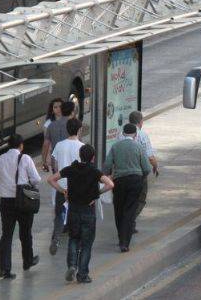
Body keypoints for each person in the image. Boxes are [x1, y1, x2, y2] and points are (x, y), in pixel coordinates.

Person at [48, 144, 113, 284]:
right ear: (93, 158)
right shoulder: (94, 172)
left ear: (80, 155)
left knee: (74, 239)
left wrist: (62, 191)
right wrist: (96, 194)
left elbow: (50, 179)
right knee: (87, 244)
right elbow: (110, 184)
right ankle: (82, 275)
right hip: (88, 211)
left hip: (73, 210)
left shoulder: (71, 169)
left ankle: (72, 265)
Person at [0, 134, 41, 279]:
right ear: (21, 145)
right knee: (25, 232)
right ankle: (27, 260)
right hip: (23, 200)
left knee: (6, 235)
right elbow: (36, 179)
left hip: (6, 201)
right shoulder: (25, 158)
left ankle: (5, 269)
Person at [104, 123, 152, 252]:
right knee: (130, 210)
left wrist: (108, 175)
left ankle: (121, 237)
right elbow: (147, 168)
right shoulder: (139, 147)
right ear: (135, 135)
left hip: (119, 181)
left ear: (123, 134)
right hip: (135, 181)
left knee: (119, 209)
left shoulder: (115, 146)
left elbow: (107, 165)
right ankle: (125, 242)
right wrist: (141, 177)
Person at [46, 101, 77, 255]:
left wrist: (55, 173)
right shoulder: (78, 141)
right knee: (74, 210)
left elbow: (50, 151)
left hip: (60, 177)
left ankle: (56, 236)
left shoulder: (51, 126)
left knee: (59, 211)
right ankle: (72, 234)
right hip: (74, 181)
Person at [127, 111, 158, 232]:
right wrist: (155, 167)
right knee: (140, 198)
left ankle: (129, 220)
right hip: (138, 173)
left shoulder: (120, 134)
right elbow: (150, 156)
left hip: (122, 173)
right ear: (141, 122)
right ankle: (130, 219)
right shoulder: (142, 135)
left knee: (127, 198)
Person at [40, 98, 64, 172]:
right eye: (55, 107)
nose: (58, 109)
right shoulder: (48, 124)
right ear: (52, 110)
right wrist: (44, 160)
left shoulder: (69, 120)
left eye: (60, 106)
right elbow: (46, 143)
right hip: (55, 155)